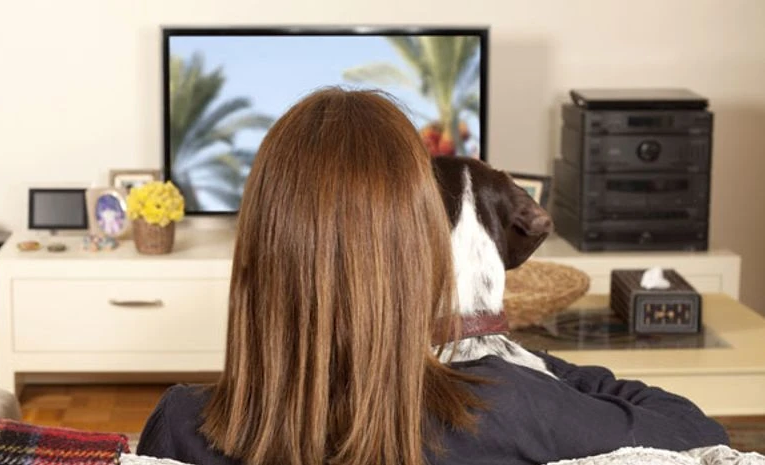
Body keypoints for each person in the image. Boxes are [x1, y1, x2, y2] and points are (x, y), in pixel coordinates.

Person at [137, 88, 728, 465]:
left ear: (257, 261)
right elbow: (693, 429)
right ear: (417, 250)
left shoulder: (182, 424)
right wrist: (531, 363)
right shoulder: (508, 406)